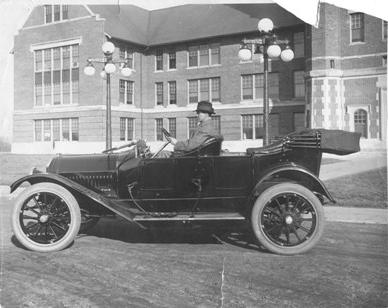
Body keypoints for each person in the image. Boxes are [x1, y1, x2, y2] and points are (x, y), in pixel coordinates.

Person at [158, 101, 222, 157]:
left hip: (190, 158)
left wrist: (176, 143)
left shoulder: (205, 128)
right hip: (192, 156)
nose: (197, 115)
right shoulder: (209, 127)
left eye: (198, 113)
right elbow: (193, 143)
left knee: (161, 154)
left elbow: (190, 146)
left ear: (206, 113)